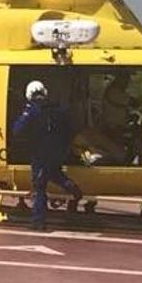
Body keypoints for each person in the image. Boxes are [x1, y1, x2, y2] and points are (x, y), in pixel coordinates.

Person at [13, 80, 83, 231]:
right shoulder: (57, 108)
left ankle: (38, 221)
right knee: (54, 173)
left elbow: (18, 129)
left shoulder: (32, 110)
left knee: (39, 187)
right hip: (58, 152)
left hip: (40, 154)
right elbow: (70, 129)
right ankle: (70, 186)